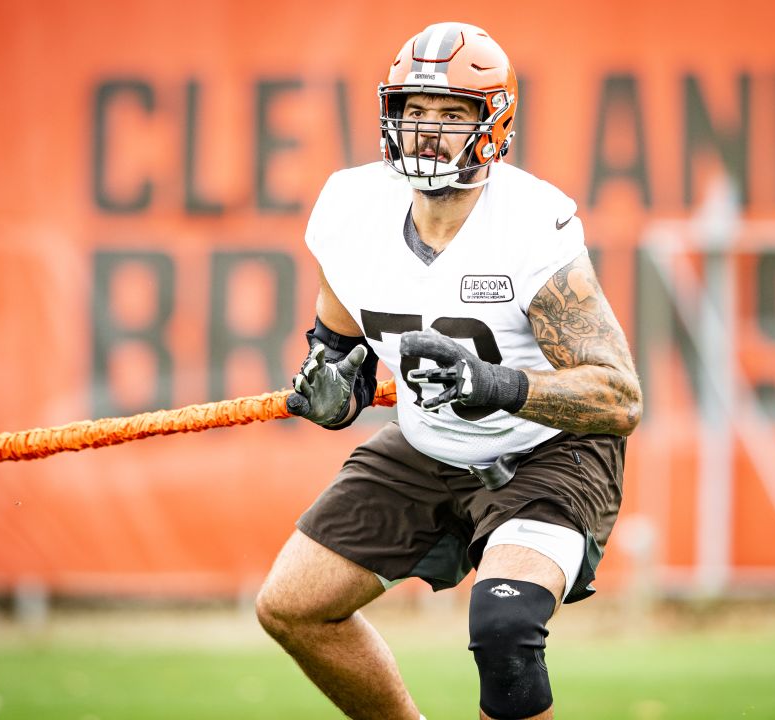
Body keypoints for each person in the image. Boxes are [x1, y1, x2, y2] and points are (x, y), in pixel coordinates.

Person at [255, 21, 641, 720]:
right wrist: (332, 389)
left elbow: (618, 396)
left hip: (543, 452)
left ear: (493, 124)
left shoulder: (528, 223)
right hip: (429, 445)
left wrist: (489, 383)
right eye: (415, 111)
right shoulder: (349, 211)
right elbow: (341, 354)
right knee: (291, 608)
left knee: (503, 631)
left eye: (452, 114)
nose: (428, 130)